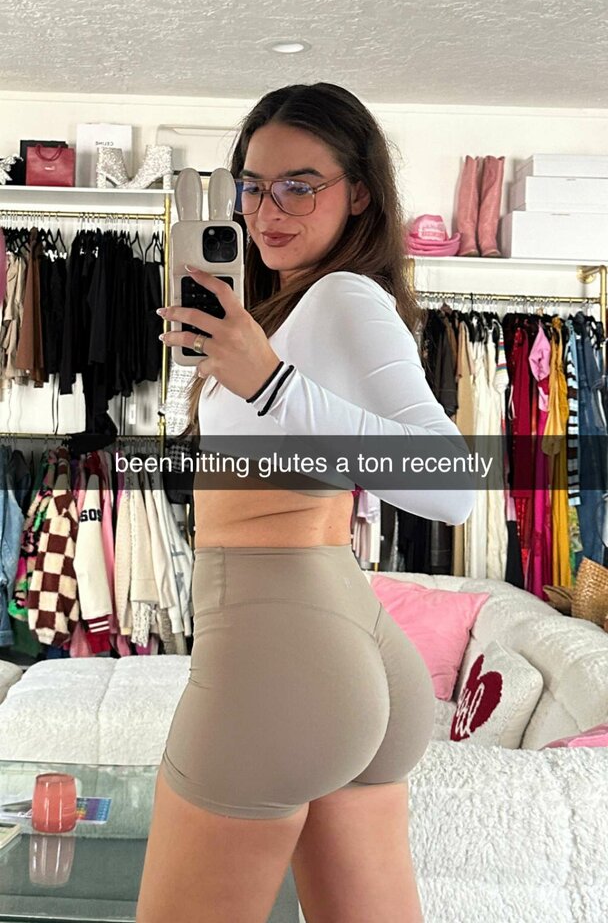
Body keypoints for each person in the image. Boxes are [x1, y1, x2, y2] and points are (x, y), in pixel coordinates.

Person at [136, 82, 475, 923]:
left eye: (300, 185)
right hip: (331, 631)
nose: (267, 211)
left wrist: (270, 383)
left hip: (280, 642)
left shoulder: (342, 297)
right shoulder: (297, 304)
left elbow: (452, 487)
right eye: (252, 186)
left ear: (358, 192)